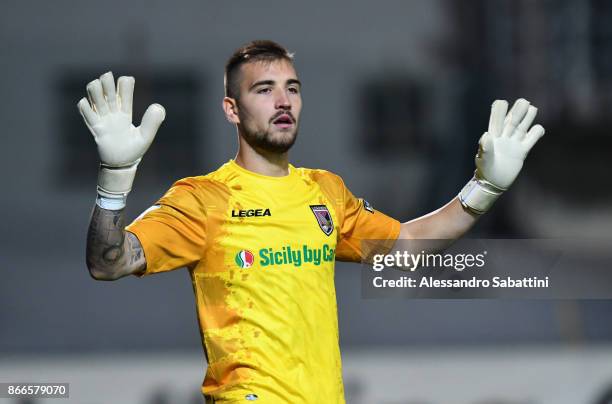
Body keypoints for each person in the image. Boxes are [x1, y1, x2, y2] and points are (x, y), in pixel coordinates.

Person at [79, 40, 545, 403]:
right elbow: (109, 261)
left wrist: (483, 190)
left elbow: (407, 243)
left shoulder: (325, 192)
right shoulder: (203, 199)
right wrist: (115, 180)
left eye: (292, 88)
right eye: (264, 90)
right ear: (232, 110)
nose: (283, 101)